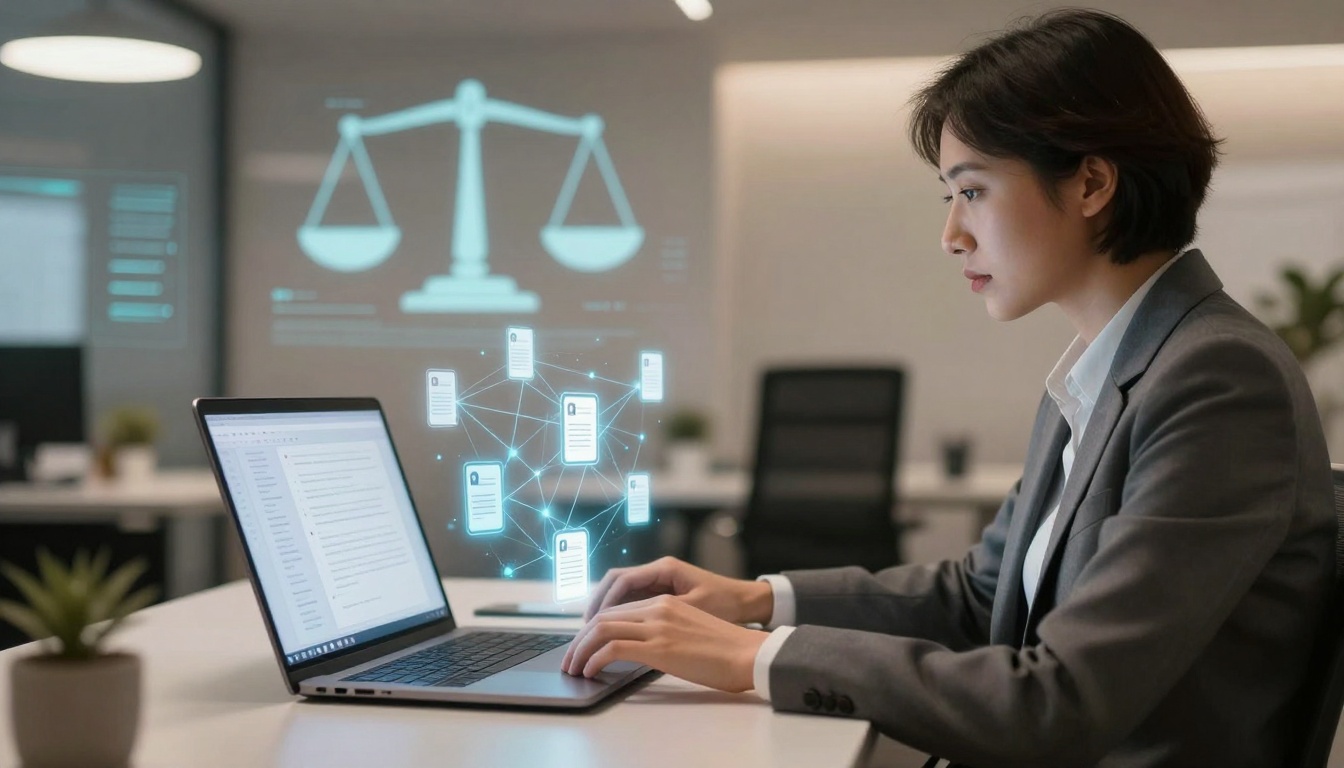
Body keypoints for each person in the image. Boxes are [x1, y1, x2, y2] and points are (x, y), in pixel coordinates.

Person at [560, 8, 1336, 766]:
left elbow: (1059, 704)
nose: (951, 235)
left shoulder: (1217, 380)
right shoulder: (1106, 368)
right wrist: (756, 600)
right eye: (949, 196)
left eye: (973, 191)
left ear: (1093, 182)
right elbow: (978, 594)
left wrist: (752, 658)